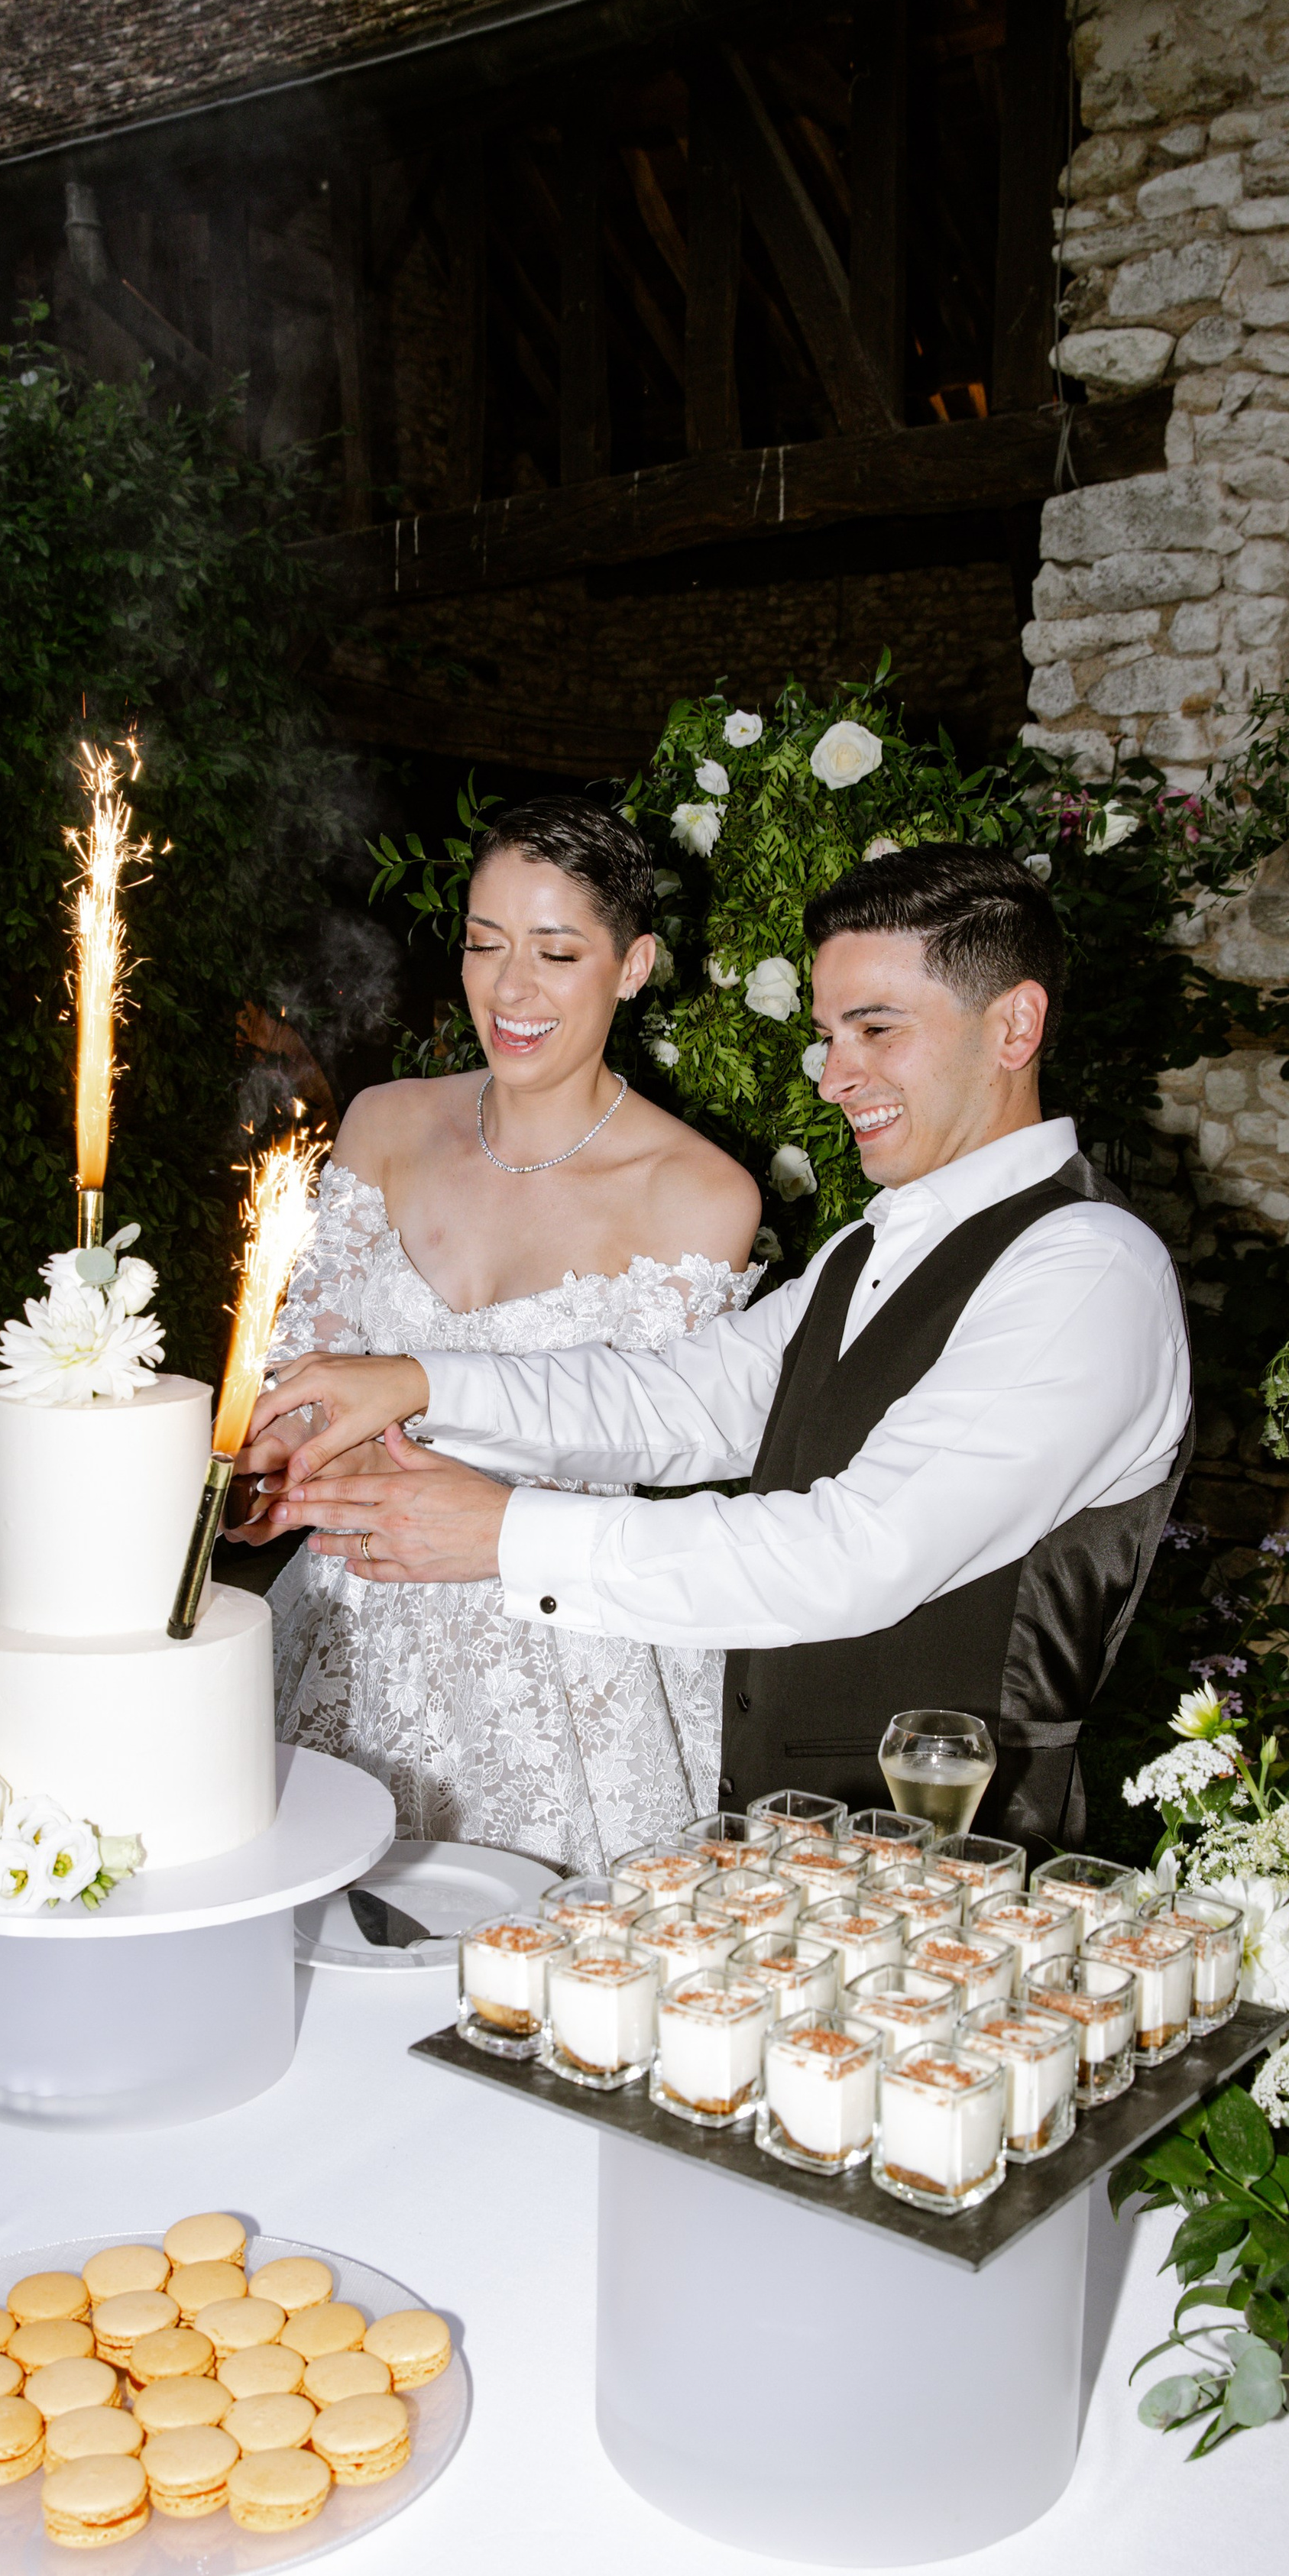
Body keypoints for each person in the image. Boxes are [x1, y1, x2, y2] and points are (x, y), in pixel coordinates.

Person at [242, 843, 1193, 1849]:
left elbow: (854, 1552)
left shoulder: (1088, 1272)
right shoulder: (868, 1248)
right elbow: (681, 1402)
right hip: (800, 1845)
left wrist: (507, 1535)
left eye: (876, 1031)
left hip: (957, 1869)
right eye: (830, 1036)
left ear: (1016, 1025)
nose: (834, 1078)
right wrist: (414, 1380)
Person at [249, 795, 760, 1872]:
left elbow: (654, 1434)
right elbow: (309, 1366)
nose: (511, 989)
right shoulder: (385, 1122)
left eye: (557, 953)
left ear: (632, 966)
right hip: (350, 1629)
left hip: (564, 1664)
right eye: (485, 945)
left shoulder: (700, 1195)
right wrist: (269, 1462)